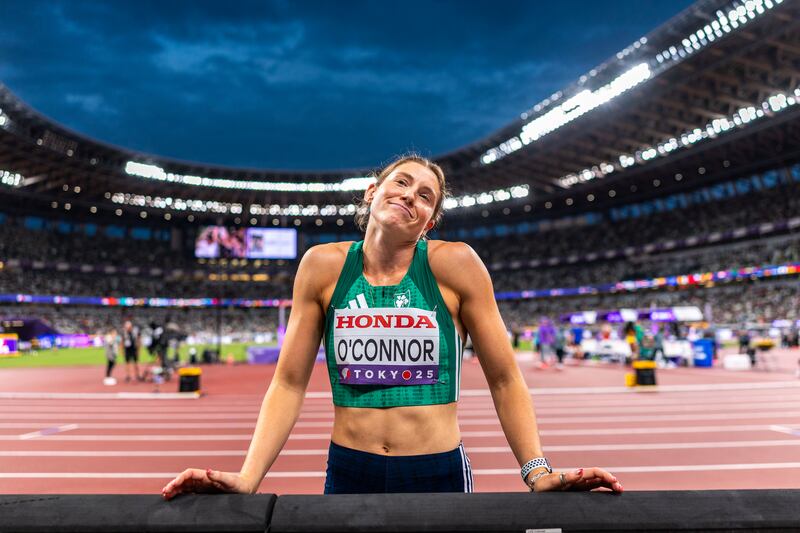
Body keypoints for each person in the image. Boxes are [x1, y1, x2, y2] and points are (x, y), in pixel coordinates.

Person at [161, 155, 623, 498]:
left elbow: (504, 379)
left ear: (430, 221)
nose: (409, 195)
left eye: (425, 195)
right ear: (372, 192)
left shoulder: (455, 265)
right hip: (350, 471)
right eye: (401, 182)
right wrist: (249, 477)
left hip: (436, 471)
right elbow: (288, 382)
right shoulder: (321, 267)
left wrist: (536, 471)